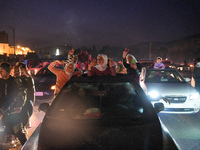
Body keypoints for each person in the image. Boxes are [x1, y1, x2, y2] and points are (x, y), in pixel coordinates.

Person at [0, 62, 27, 145]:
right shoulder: (0, 82)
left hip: (13, 112)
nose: (0, 72)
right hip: (2, 112)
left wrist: (18, 106)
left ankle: (27, 147)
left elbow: (22, 95)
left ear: (8, 71)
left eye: (2, 70)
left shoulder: (15, 82)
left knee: (19, 132)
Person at [16, 62, 35, 128]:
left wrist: (27, 75)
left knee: (25, 114)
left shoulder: (27, 78)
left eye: (21, 69)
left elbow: (31, 86)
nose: (20, 71)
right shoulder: (14, 78)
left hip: (26, 100)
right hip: (16, 101)